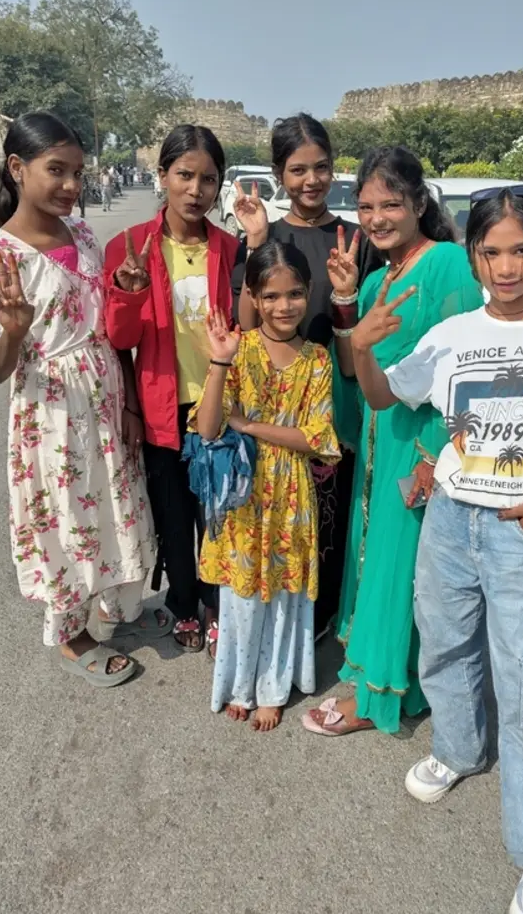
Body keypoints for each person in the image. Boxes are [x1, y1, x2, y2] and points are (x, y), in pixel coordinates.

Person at [349, 184, 523, 914]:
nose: (506, 267)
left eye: (521, 250)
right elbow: (384, 400)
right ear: (471, 252)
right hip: (447, 519)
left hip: (518, 529)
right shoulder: (454, 334)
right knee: (444, 646)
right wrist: (359, 347)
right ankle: (460, 748)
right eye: (491, 251)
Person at [0, 112, 162, 687]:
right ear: (16, 168)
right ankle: (73, 635)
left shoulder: (81, 235)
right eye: (57, 170)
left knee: (114, 502)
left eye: (78, 172)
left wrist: (127, 403)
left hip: (103, 396)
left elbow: (102, 328)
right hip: (50, 413)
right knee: (64, 517)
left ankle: (117, 606)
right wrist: (14, 330)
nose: (72, 186)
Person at [301, 146, 483, 737]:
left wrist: (436, 455)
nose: (377, 218)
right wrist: (349, 304)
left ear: (419, 204)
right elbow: (356, 373)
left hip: (421, 443)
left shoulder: (448, 264)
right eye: (366, 206)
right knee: (377, 556)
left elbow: (468, 369)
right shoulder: (379, 276)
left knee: (403, 562)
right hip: (380, 438)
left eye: (391, 204)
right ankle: (387, 670)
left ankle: (381, 693)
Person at [231, 113, 382, 640]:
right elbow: (244, 327)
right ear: (279, 174)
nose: (311, 181)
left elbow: (359, 330)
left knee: (331, 508)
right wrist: (252, 242)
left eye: (321, 167)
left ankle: (322, 615)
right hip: (275, 398)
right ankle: (271, 612)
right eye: (297, 170)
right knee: (276, 507)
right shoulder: (264, 236)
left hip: (336, 389)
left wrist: (345, 295)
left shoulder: (358, 239)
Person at [192, 240, 341, 731]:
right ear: (253, 296)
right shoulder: (238, 349)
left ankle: (273, 687)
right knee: (242, 594)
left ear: (308, 292)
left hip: (292, 494)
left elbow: (316, 437)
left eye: (295, 294)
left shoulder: (317, 359)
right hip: (241, 493)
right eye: (271, 296)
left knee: (282, 593)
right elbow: (209, 427)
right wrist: (218, 363)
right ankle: (238, 683)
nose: (284, 306)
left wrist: (251, 425)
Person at [104, 124, 240, 655]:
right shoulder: (131, 246)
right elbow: (119, 338)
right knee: (174, 514)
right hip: (163, 405)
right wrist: (128, 292)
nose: (195, 189)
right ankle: (183, 602)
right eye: (184, 175)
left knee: (218, 512)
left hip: (217, 401)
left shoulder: (229, 248)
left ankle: (215, 601)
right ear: (162, 176)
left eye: (208, 179)